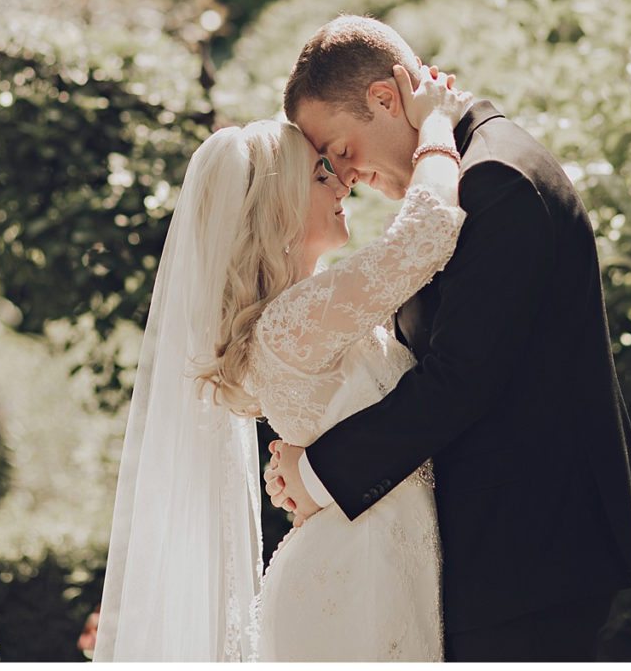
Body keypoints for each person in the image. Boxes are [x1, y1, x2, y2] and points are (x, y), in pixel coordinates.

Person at [269, 15, 631, 662]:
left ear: (385, 99)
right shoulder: (461, 180)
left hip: (525, 554)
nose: (345, 175)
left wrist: (318, 473)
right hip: (496, 558)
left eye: (341, 148)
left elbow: (460, 380)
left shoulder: (497, 179)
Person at [93, 63, 473, 661]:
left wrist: (308, 470)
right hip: (352, 582)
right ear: (280, 205)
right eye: (322, 173)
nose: (344, 182)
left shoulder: (307, 313)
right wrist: (436, 124)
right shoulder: (296, 321)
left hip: (373, 565)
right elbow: (425, 235)